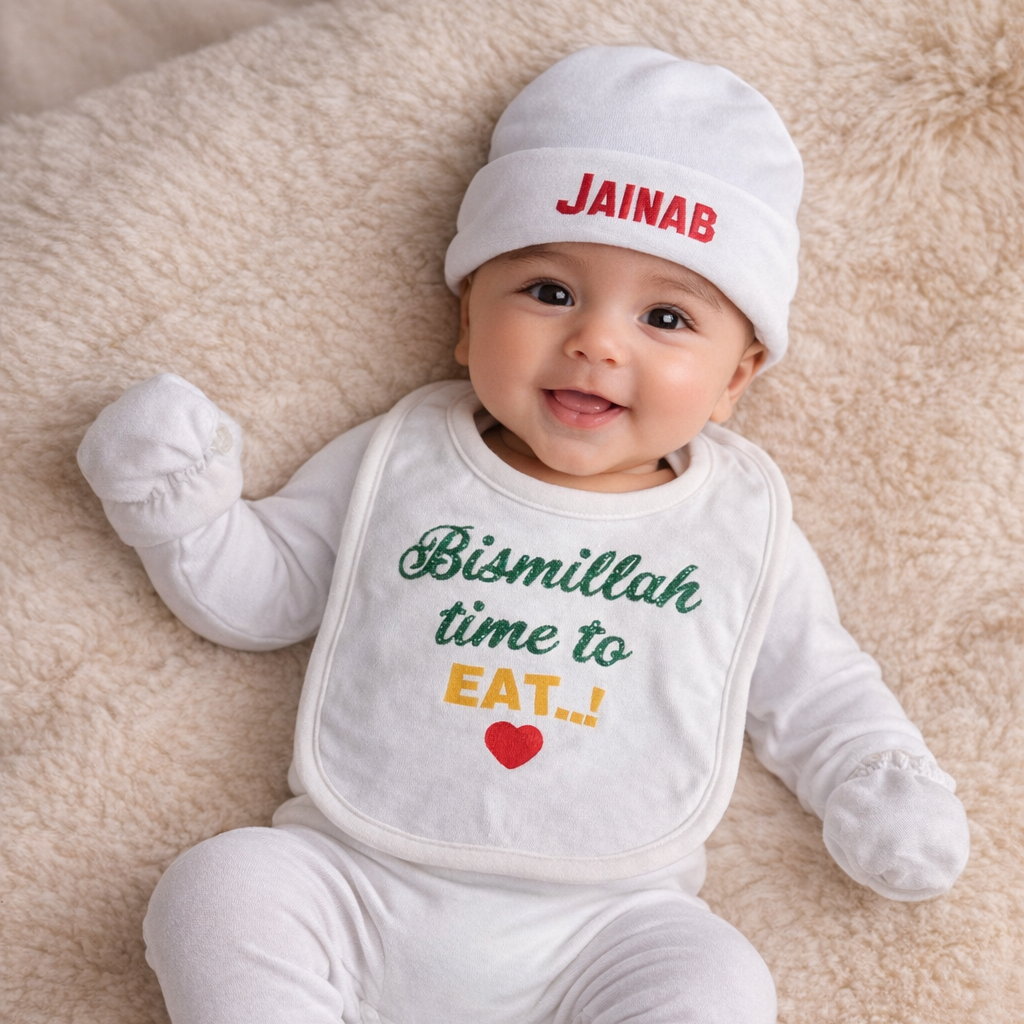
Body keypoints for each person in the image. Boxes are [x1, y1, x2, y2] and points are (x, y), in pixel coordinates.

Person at [77, 46, 970, 1024]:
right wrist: (180, 506)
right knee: (221, 887)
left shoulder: (734, 527)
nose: (596, 340)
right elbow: (266, 592)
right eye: (549, 290)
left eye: (666, 314)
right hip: (355, 882)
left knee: (719, 986)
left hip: (604, 929)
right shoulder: (401, 461)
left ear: (735, 378)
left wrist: (877, 782)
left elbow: (816, 682)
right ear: (466, 320)